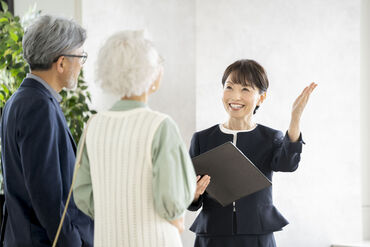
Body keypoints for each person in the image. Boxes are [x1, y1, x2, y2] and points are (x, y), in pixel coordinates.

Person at [73, 30, 197, 247]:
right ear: (150, 72)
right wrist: (176, 216)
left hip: (108, 239)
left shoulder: (92, 126)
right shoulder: (160, 126)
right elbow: (172, 200)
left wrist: (114, 213)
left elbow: (83, 194)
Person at [188, 59, 317, 247]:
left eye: (245, 90)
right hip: (212, 235)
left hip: (257, 235)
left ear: (261, 97)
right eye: (229, 87)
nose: (235, 96)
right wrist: (194, 194)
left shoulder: (270, 137)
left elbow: (288, 164)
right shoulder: (202, 138)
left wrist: (295, 118)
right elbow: (191, 200)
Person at [0, 15, 93, 247]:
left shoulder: (19, 100)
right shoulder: (38, 106)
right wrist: (73, 242)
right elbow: (47, 194)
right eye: (80, 56)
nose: (81, 64)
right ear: (61, 63)